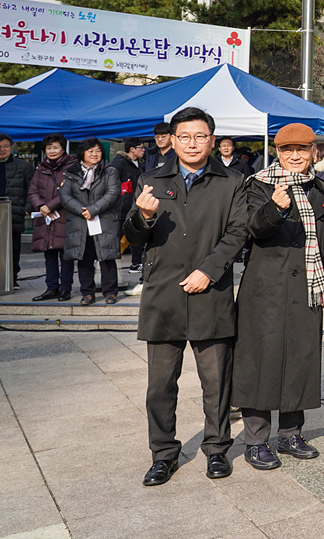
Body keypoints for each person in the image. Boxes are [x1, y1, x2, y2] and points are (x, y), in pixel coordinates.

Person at [125, 107, 248, 486]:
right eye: (185, 137)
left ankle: (217, 449)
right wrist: (142, 218)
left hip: (211, 294)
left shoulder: (232, 181)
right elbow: (134, 238)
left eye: (200, 136)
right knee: (160, 386)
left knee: (217, 383)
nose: (192, 143)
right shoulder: (152, 179)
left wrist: (208, 271)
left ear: (212, 140)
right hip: (164, 296)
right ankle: (163, 454)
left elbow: (238, 232)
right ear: (172, 140)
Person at [233, 123, 324, 470]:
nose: (295, 156)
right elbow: (253, 228)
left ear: (313, 152)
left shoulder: (321, 187)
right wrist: (274, 210)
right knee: (260, 361)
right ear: (277, 152)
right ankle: (256, 439)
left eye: (302, 150)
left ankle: (291, 433)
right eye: (287, 150)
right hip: (266, 288)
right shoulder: (259, 185)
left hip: (308, 287)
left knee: (300, 360)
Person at [58, 139, 121, 305]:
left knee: (106, 256)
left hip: (103, 220)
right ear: (82, 153)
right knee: (84, 258)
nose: (95, 154)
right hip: (79, 222)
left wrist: (93, 209)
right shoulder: (71, 172)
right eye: (90, 151)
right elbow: (65, 196)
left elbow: (113, 193)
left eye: (98, 151)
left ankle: (110, 292)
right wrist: (82, 210)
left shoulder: (109, 171)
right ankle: (87, 293)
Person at [28, 135, 75, 301]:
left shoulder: (72, 166)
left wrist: (51, 206)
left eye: (55, 147)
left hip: (64, 216)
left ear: (63, 148)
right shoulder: (41, 168)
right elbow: (32, 191)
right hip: (46, 218)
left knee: (66, 254)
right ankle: (51, 287)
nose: (52, 151)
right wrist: (41, 206)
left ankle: (65, 288)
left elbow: (70, 190)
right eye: (49, 148)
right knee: (49, 253)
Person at [0, 134, 33, 288]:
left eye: (5, 146)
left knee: (12, 248)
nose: (2, 150)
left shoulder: (24, 167)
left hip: (13, 211)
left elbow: (31, 189)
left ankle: (12, 278)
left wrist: (27, 209)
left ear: (11, 148)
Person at [113, 138, 146, 276]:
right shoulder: (119, 163)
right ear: (132, 149)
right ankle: (109, 262)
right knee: (117, 234)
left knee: (136, 233)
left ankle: (136, 262)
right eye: (141, 147)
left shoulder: (139, 164)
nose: (143, 150)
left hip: (135, 204)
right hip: (121, 206)